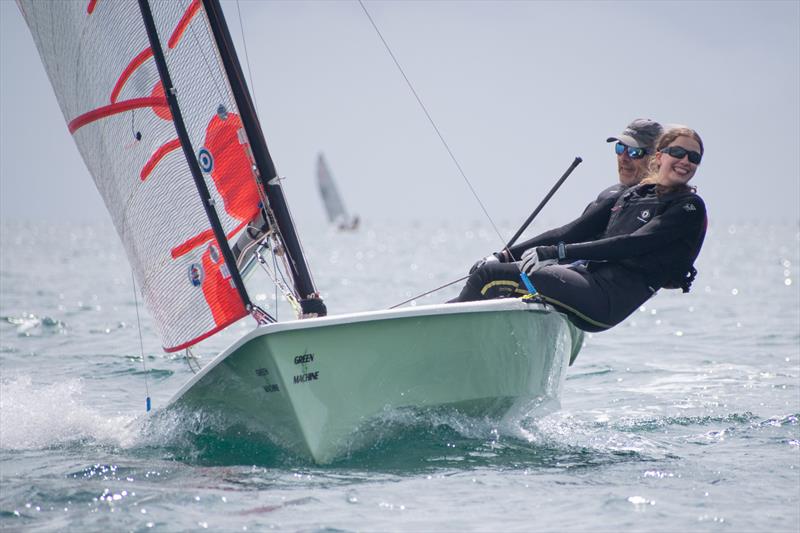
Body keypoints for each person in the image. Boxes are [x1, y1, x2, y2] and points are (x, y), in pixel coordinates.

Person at [452, 126, 708, 333]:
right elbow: (571, 232)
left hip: (605, 300)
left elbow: (629, 244)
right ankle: (446, 326)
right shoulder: (634, 194)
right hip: (588, 282)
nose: (686, 161)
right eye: (678, 152)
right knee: (495, 272)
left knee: (489, 277)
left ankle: (443, 333)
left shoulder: (688, 207)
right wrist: (505, 255)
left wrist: (555, 253)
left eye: (694, 157)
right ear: (660, 155)